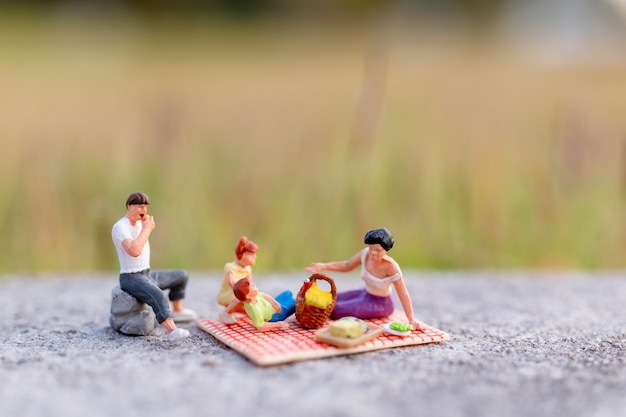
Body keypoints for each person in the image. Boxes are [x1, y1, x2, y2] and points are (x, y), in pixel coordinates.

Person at [111, 191, 197, 342]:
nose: (144, 211)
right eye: (140, 207)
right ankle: (172, 330)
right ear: (130, 206)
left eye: (145, 207)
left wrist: (144, 227)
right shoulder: (120, 227)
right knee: (159, 295)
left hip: (146, 273)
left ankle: (177, 310)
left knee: (181, 276)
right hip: (131, 277)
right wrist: (147, 229)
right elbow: (134, 251)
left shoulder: (139, 224)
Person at [305, 228, 423, 330]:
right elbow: (347, 265)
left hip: (381, 303)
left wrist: (411, 319)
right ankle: (303, 307)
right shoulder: (365, 254)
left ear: (386, 250)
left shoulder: (391, 267)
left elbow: (403, 294)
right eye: (371, 248)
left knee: (336, 309)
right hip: (365, 293)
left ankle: (312, 315)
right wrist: (324, 266)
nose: (373, 253)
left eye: (378, 250)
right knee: (331, 297)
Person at [218, 236, 295, 323]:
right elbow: (232, 283)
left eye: (255, 254)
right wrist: (246, 291)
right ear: (243, 255)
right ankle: (226, 312)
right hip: (229, 294)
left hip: (240, 294)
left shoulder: (248, 268)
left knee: (251, 303)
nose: (255, 257)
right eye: (252, 255)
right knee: (243, 296)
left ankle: (250, 311)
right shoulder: (231, 267)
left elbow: (250, 282)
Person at [223, 278, 290, 332]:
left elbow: (265, 296)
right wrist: (278, 324)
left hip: (274, 307)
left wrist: (275, 304)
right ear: (248, 296)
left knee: (288, 293)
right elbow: (260, 327)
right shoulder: (255, 310)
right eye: (252, 286)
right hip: (275, 315)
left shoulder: (254, 296)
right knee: (293, 303)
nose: (254, 284)